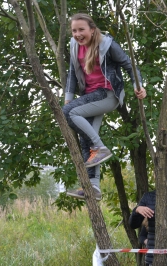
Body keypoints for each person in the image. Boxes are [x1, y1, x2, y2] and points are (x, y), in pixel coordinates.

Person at [63, 13, 146, 200]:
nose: (77, 34)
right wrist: (68, 97)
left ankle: (100, 148)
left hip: (108, 94)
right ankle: (94, 188)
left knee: (69, 114)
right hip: (89, 96)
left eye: (81, 30)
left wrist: (138, 86)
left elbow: (129, 65)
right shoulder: (75, 46)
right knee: (86, 138)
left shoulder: (107, 44)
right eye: (74, 30)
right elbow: (71, 74)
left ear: (92, 30)